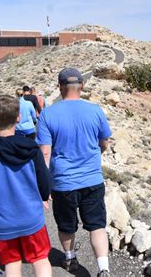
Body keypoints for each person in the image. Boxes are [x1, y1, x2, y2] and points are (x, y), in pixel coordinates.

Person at [37, 68, 112, 277]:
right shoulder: (95, 110)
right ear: (82, 86)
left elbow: (44, 153)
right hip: (92, 179)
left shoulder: (48, 114)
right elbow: (104, 142)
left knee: (66, 225)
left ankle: (70, 259)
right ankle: (103, 268)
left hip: (63, 182)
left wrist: (44, 184)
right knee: (97, 225)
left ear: (59, 86)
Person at [0, 95, 52, 277]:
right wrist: (43, 196)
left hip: (2, 222)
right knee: (40, 260)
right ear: (18, 117)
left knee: (12, 264)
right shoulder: (31, 148)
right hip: (31, 218)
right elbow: (44, 180)